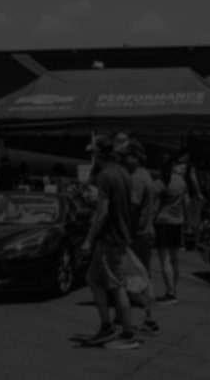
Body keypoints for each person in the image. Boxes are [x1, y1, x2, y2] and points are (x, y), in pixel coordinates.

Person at [79, 134, 141, 350]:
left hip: (109, 238)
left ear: (99, 154)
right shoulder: (124, 173)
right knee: (93, 279)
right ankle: (106, 326)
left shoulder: (105, 176)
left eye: (93, 153)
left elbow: (103, 212)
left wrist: (89, 239)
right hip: (118, 235)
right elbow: (128, 205)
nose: (92, 157)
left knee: (116, 286)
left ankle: (127, 334)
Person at [116, 135, 161, 335]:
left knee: (137, 275)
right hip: (145, 233)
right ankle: (125, 314)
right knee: (139, 274)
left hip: (137, 235)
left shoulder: (137, 178)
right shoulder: (145, 175)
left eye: (126, 157)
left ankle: (148, 318)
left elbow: (131, 208)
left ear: (135, 156)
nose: (123, 160)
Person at [153, 155, 189, 305]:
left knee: (165, 259)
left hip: (163, 222)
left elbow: (155, 208)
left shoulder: (158, 184)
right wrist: (186, 219)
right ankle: (173, 290)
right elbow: (186, 202)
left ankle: (170, 293)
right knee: (175, 259)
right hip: (177, 221)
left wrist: (149, 223)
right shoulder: (181, 181)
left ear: (160, 166)